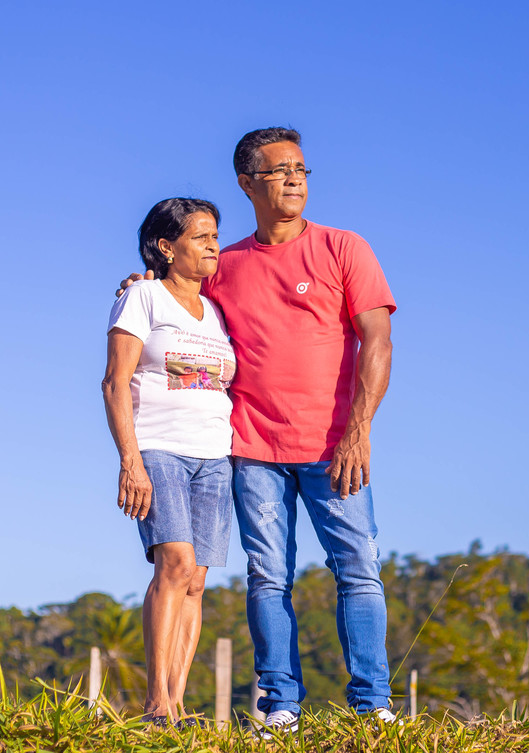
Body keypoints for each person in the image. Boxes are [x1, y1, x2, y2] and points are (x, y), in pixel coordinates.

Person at [121, 127, 396, 733]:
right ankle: (280, 706)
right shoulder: (227, 263)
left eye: (301, 168)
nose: (295, 178)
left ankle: (372, 705)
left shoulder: (344, 248)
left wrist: (360, 430)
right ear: (247, 184)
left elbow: (378, 340)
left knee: (358, 568)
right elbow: (177, 291)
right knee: (268, 576)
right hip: (250, 449)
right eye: (278, 171)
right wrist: (140, 279)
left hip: (334, 448)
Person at [102, 198, 237, 726]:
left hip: (216, 455)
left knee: (197, 581)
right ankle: (156, 702)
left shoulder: (218, 310)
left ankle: (177, 703)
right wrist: (129, 461)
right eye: (200, 237)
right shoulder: (142, 297)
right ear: (166, 247)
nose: (212, 246)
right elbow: (115, 382)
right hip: (158, 448)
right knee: (174, 563)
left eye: (214, 236)